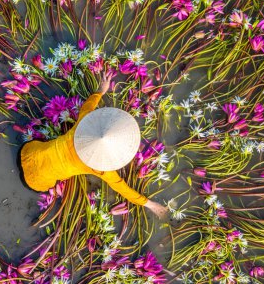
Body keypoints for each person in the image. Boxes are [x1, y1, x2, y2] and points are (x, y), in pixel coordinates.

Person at [19, 72, 168, 218]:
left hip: (27, 152)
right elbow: (123, 189)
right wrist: (150, 204)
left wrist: (101, 90)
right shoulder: (100, 169)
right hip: (37, 183)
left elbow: (88, 105)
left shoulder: (82, 123)